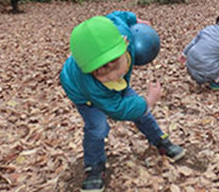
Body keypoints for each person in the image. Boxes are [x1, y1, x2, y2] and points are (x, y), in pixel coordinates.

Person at [60, 11, 185, 192]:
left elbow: (117, 16)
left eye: (117, 68)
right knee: (97, 126)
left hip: (113, 84)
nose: (114, 76)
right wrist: (149, 101)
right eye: (104, 74)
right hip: (83, 95)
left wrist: (135, 20)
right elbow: (117, 109)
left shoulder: (123, 34)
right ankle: (94, 166)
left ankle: (159, 140)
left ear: (124, 43)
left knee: (137, 106)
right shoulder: (91, 83)